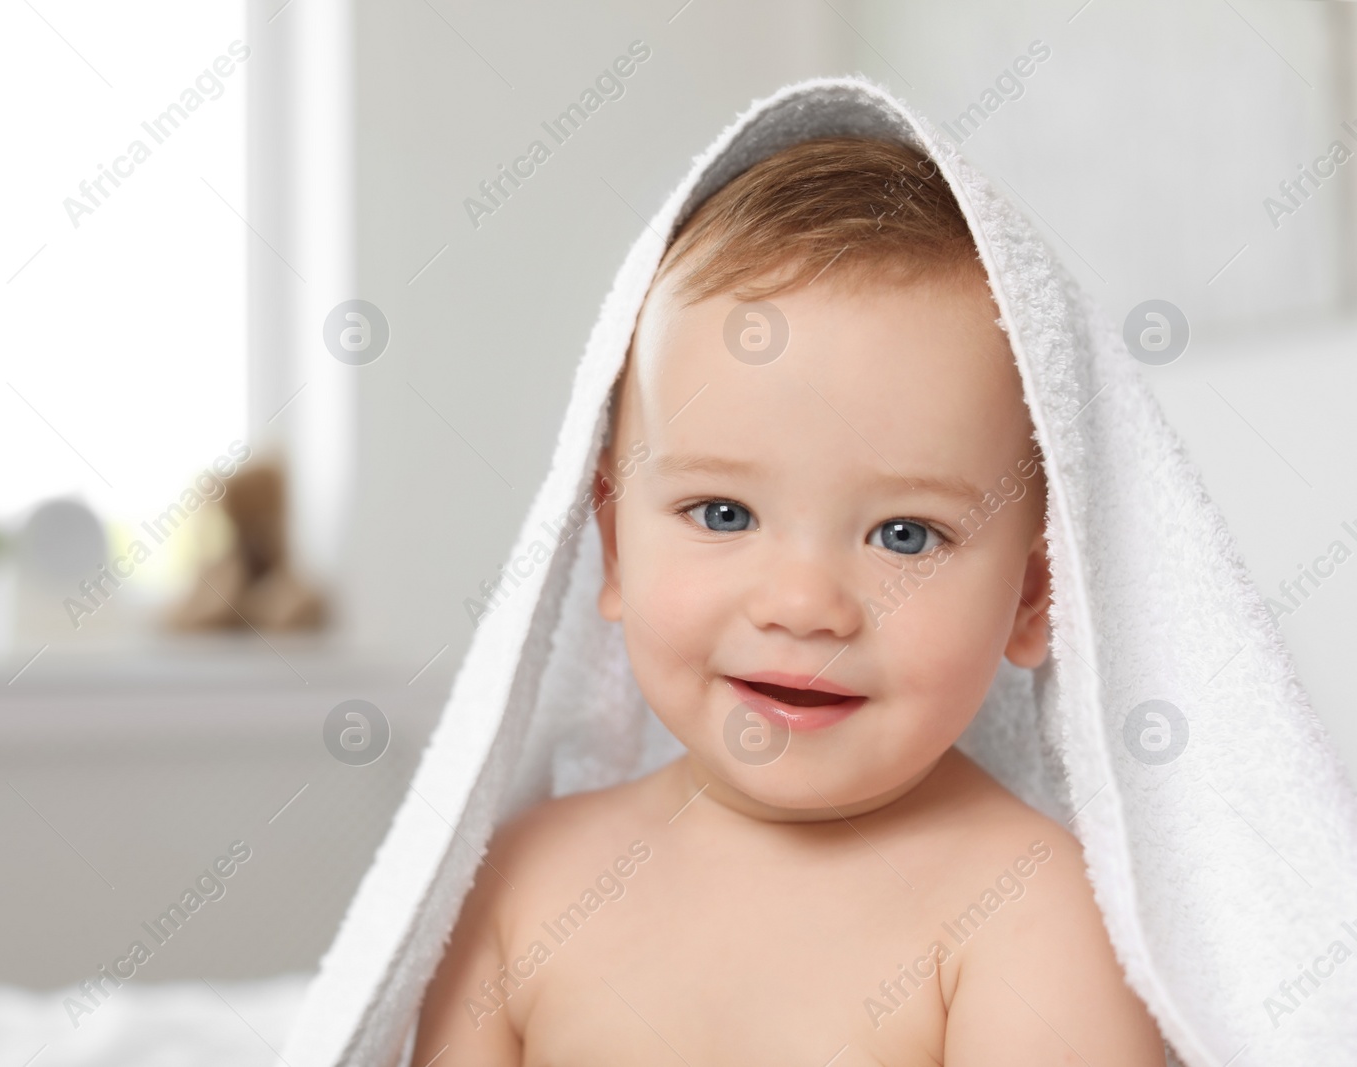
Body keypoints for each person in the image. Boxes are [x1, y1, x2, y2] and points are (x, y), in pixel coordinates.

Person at [412, 137, 1166, 1064]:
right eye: (723, 512)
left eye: (906, 534)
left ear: (1032, 592)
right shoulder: (519, 884)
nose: (805, 605)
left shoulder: (1030, 915)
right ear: (613, 546)